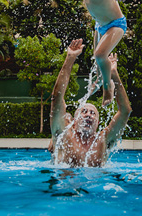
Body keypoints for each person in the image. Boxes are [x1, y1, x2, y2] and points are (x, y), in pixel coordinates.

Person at [50, 39, 132, 167]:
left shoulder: (103, 139)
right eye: (84, 111)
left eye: (93, 113)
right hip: (65, 186)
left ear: (98, 123)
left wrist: (114, 75)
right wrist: (70, 58)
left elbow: (125, 111)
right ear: (74, 121)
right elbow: (56, 98)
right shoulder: (64, 134)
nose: (89, 115)